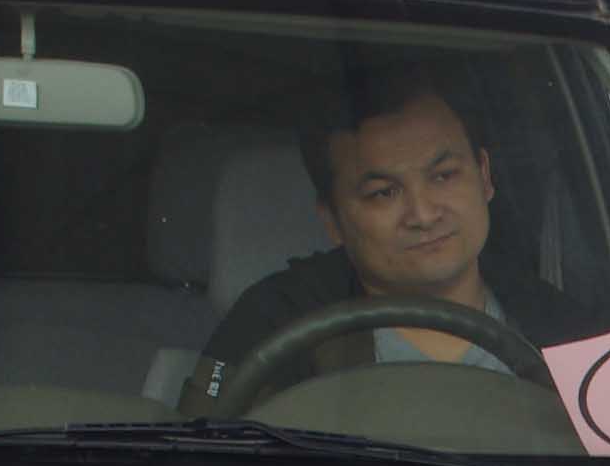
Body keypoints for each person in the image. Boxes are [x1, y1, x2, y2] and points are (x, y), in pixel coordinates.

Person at [185, 67, 581, 408]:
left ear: (484, 176)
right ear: (332, 220)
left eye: (443, 176)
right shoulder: (274, 325)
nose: (423, 215)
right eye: (383, 193)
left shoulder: (563, 328)